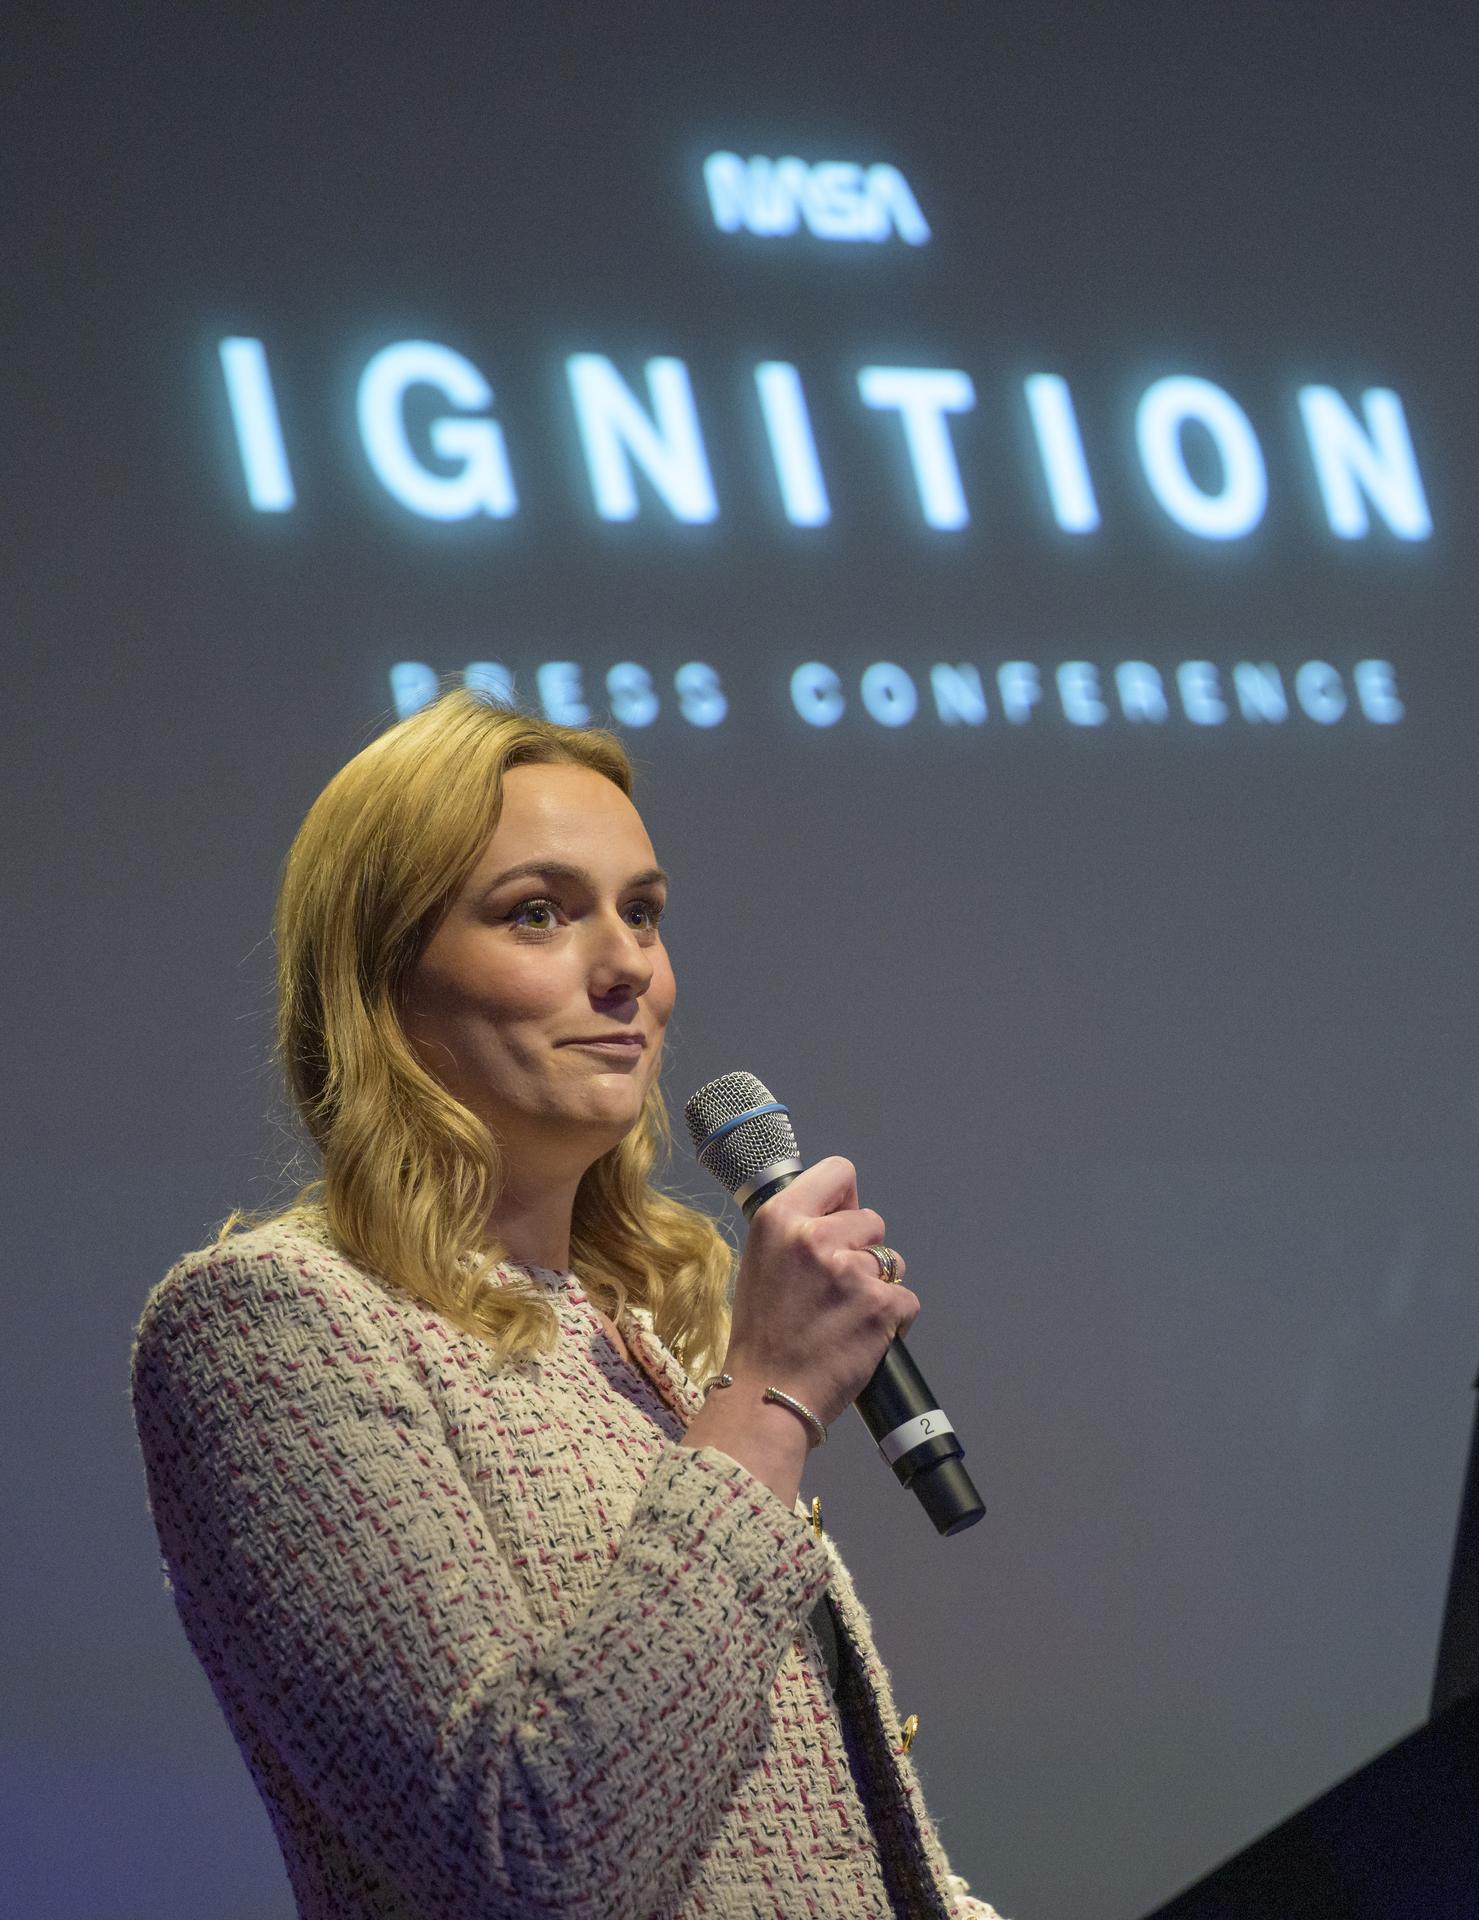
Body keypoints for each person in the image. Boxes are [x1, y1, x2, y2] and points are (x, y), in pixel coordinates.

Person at [130, 688, 1004, 1920]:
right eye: (537, 912)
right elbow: (531, 1853)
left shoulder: (651, 1333)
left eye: (641, 912)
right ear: (382, 976)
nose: (628, 965)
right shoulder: (268, 1326)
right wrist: (770, 1398)